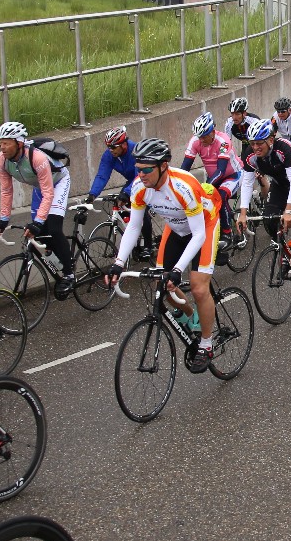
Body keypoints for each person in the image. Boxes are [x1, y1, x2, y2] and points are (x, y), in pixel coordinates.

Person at [109, 138, 222, 369]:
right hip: (177, 227)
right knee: (161, 283)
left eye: (146, 170)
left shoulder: (183, 186)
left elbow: (198, 235)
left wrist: (178, 270)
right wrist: (119, 263)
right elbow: (134, 226)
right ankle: (191, 315)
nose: (141, 175)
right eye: (138, 169)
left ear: (163, 166)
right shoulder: (140, 187)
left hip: (204, 226)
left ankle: (207, 344)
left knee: (199, 288)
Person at [0, 121, 75, 298]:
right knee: (38, 233)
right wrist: (4, 219)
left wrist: (38, 222)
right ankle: (58, 259)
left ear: (19, 143)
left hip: (58, 183)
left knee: (53, 228)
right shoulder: (1, 160)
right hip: (40, 187)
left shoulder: (37, 158)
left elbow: (49, 193)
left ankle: (69, 274)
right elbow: (6, 191)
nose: (2, 147)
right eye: (0, 143)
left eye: (6, 143)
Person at [237, 118, 291, 245]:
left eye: (259, 143)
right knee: (269, 218)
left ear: (271, 140)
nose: (255, 147)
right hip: (280, 183)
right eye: (252, 143)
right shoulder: (250, 154)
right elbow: (247, 183)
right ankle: (281, 247)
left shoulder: (284, 148)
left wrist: (288, 211)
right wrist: (243, 214)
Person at [90, 126, 156, 261]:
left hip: (146, 179)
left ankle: (148, 246)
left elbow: (139, 176)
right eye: (108, 147)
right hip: (132, 182)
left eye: (113, 147)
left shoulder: (135, 151)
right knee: (122, 208)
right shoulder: (109, 155)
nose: (111, 150)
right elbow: (102, 175)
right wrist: (92, 194)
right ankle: (136, 240)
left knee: (141, 209)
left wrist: (126, 193)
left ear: (124, 144)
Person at [181, 112, 245, 246]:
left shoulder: (223, 140)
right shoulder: (195, 141)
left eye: (204, 136)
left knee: (220, 196)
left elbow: (221, 171)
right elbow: (184, 169)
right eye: (199, 137)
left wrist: (205, 188)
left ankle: (227, 234)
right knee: (204, 200)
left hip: (233, 174)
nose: (201, 140)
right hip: (215, 176)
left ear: (212, 132)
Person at [227, 97, 265, 162]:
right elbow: (227, 141)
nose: (234, 117)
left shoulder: (253, 121)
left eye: (237, 114)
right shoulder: (229, 122)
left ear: (244, 113)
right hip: (245, 142)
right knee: (244, 162)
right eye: (232, 114)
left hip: (258, 142)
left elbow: (264, 139)